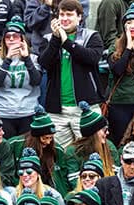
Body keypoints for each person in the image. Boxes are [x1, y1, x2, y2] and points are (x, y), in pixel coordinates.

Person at [37, 0, 104, 147]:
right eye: (61, 14)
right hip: (57, 110)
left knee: (91, 152)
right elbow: (44, 63)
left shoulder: (91, 36)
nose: (65, 18)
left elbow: (92, 58)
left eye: (69, 14)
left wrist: (66, 42)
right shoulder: (48, 39)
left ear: (80, 17)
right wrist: (56, 38)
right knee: (61, 154)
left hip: (86, 107)